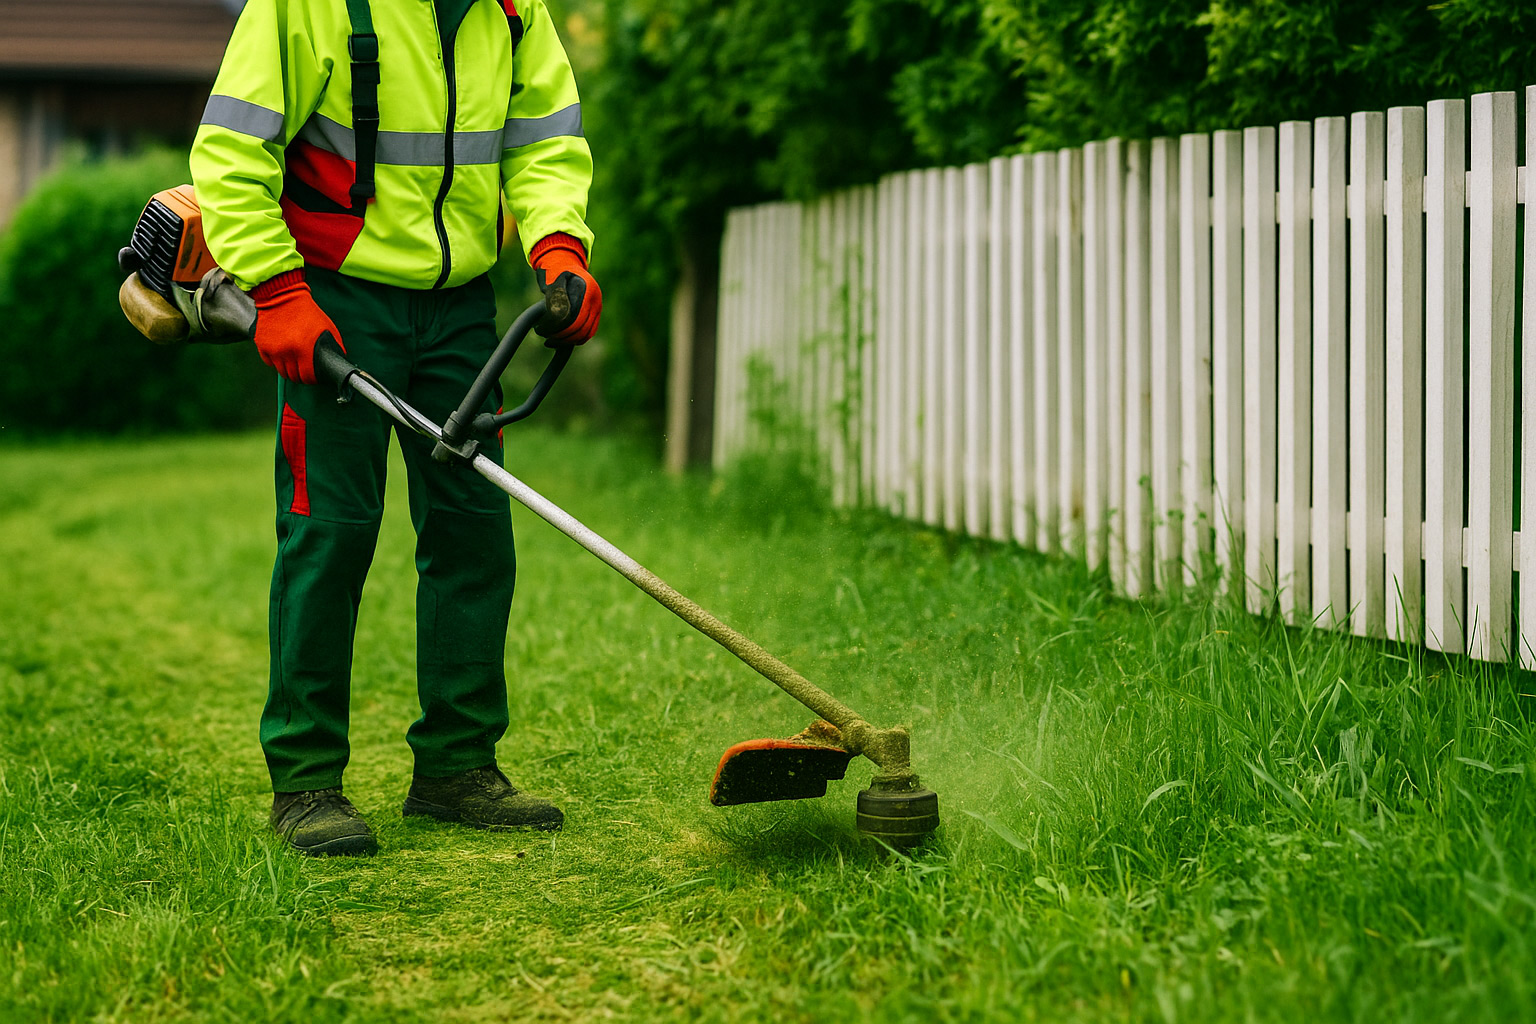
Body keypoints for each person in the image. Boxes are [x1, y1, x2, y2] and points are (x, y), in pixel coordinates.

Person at [190, 0, 599, 856]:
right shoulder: (307, 5)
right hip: (334, 293)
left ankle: (457, 766)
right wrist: (273, 288)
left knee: (473, 532)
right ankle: (305, 784)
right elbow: (232, 151)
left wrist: (561, 244)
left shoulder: (514, 12)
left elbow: (545, 138)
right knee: (329, 533)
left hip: (460, 310)